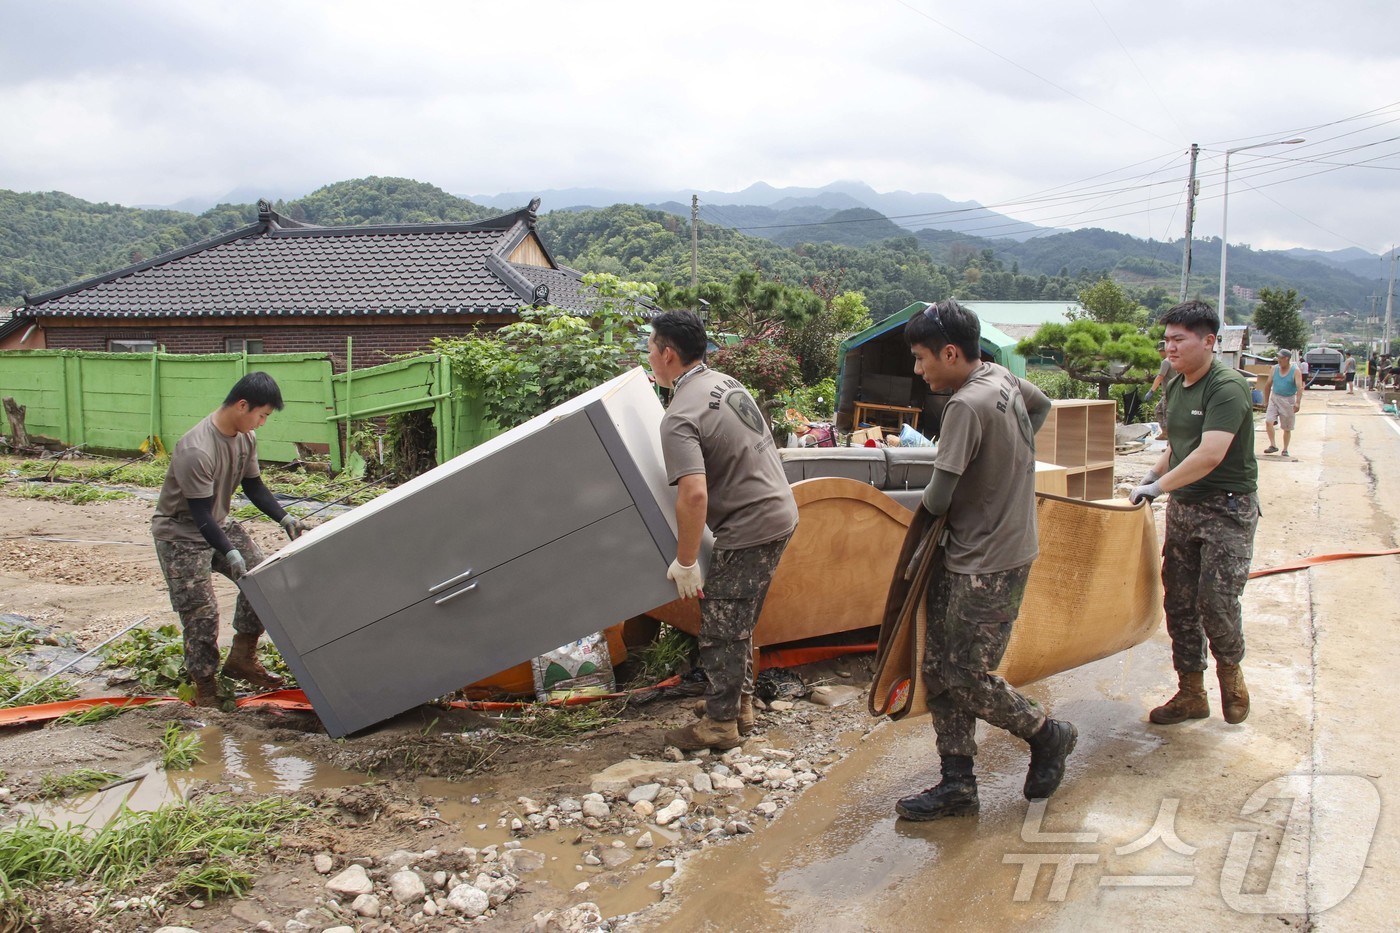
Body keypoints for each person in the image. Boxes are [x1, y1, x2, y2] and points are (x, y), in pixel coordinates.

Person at [891, 300, 1075, 822]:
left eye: (922, 358)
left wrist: (898, 515)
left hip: (988, 561)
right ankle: (957, 783)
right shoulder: (1002, 377)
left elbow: (939, 497)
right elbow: (1042, 409)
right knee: (939, 669)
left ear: (950, 353)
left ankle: (1046, 733)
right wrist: (1007, 464)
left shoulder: (965, 406)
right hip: (972, 550)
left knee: (968, 673)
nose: (918, 369)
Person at [647, 311, 798, 751]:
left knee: (719, 629)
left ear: (668, 353)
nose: (649, 357)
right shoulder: (725, 382)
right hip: (779, 512)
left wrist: (686, 561)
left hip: (750, 526)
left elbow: (694, 495)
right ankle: (739, 703)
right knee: (739, 621)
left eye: (651, 348)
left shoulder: (679, 415)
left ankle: (720, 725)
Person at [1130, 300, 1258, 727]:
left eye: (1178, 339)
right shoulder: (1175, 384)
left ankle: (1230, 672)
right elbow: (1179, 446)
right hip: (1185, 508)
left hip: (1227, 509)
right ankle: (1190, 693)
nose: (1169, 348)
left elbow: (1209, 454)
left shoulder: (1227, 387)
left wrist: (1158, 487)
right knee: (1180, 603)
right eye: (1166, 339)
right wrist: (1151, 474)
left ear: (1209, 341)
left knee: (1216, 602)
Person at [152, 372, 309, 707]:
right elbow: (199, 515)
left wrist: (284, 517)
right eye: (262, 415)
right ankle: (205, 687)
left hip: (218, 521)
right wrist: (228, 551)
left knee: (263, 578)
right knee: (201, 613)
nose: (263, 422)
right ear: (242, 405)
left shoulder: (245, 437)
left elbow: (253, 486)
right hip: (182, 534)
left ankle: (242, 656)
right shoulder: (196, 449)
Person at [1262, 349, 1303, 457]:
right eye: (1278, 358)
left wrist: (1297, 402)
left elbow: (1299, 387)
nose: (1278, 360)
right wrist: (1266, 402)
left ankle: (1285, 449)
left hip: (1288, 400)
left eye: (1281, 358)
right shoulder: (1274, 369)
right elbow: (1267, 385)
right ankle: (1273, 445)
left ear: (1287, 359)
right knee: (1268, 421)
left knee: (1287, 427)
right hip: (1275, 398)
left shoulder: (1295, 371)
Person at [1142, 340, 1171, 436]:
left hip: (1169, 392)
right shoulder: (1175, 360)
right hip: (1172, 392)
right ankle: (1165, 433)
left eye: (1161, 351)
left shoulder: (1166, 362)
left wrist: (1151, 391)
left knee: (1165, 414)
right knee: (1159, 410)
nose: (1159, 353)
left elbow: (1160, 377)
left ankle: (1169, 437)